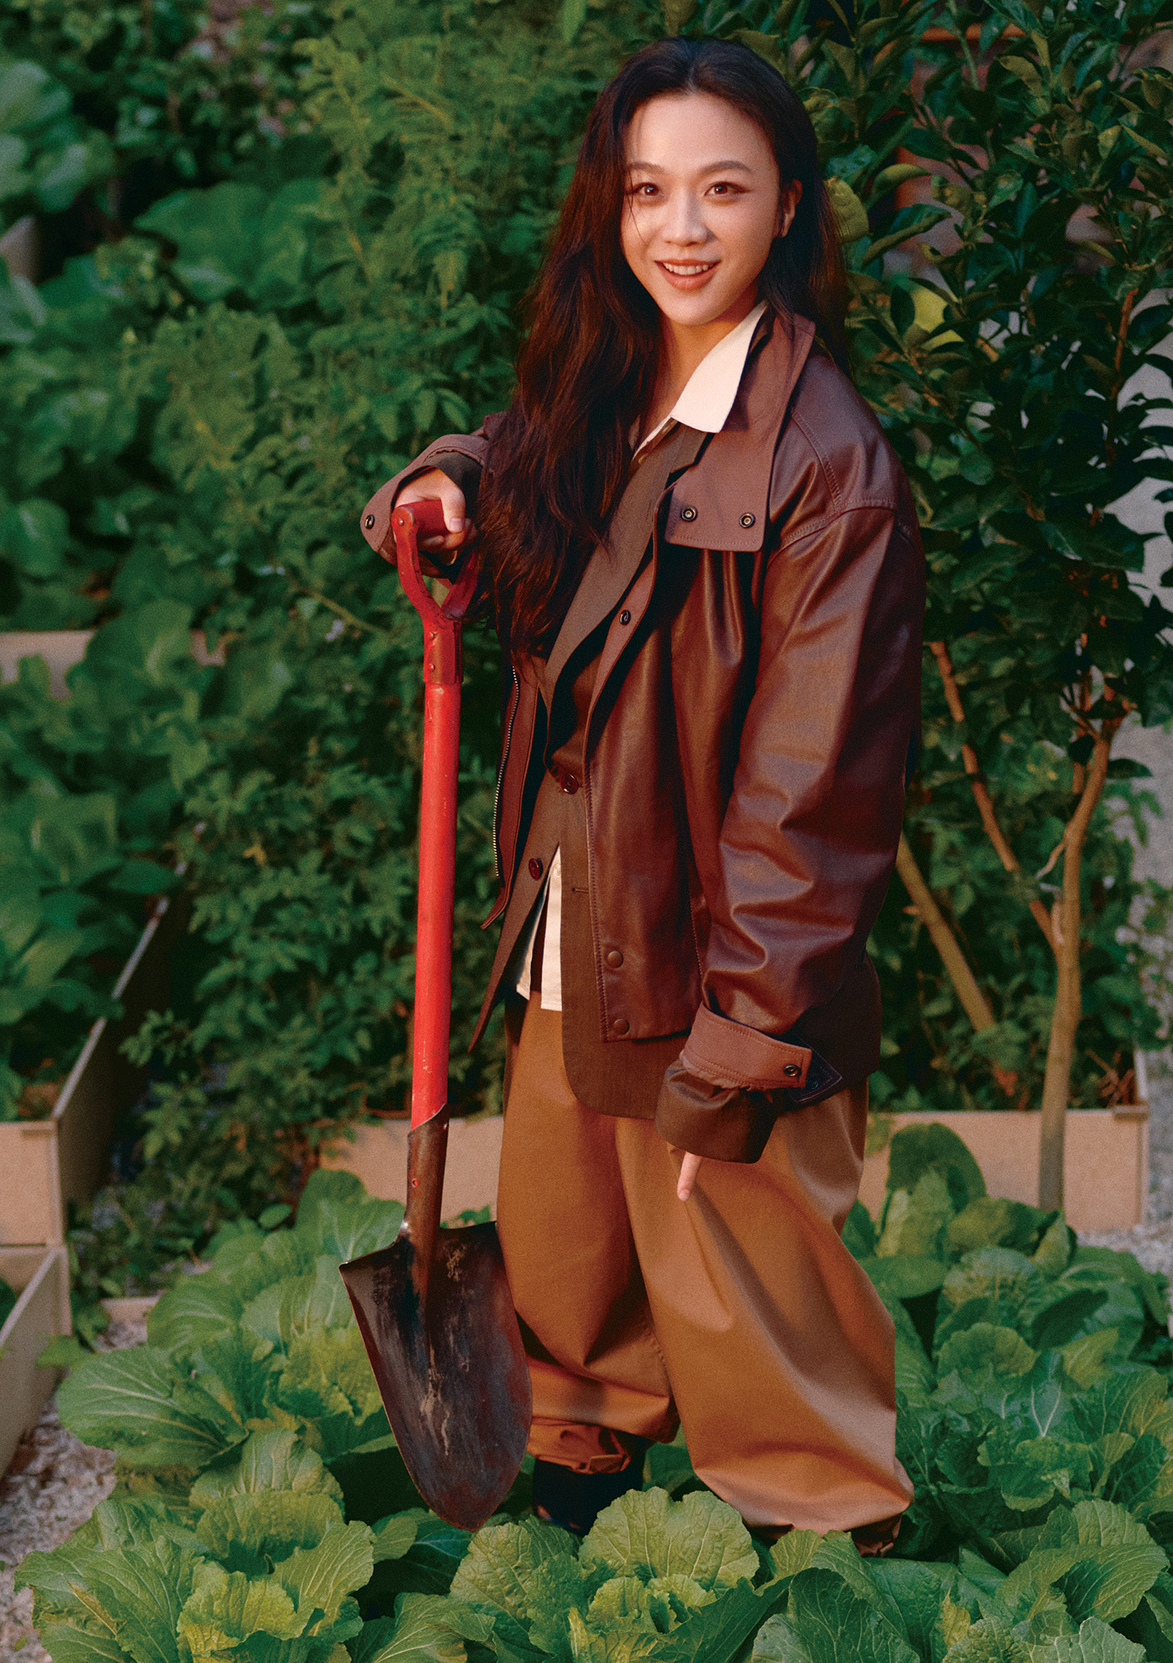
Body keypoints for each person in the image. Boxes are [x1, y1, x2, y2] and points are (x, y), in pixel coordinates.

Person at [360, 34, 922, 1550]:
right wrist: (452, 479)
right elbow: (519, 465)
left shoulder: (829, 467)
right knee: (567, 1262)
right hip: (580, 914)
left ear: (788, 207)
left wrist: (739, 1048)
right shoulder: (610, 386)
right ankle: (581, 1546)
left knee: (749, 1292)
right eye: (647, 191)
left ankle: (837, 1576)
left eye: (722, 191)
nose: (681, 229)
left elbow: (815, 799)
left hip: (729, 963)